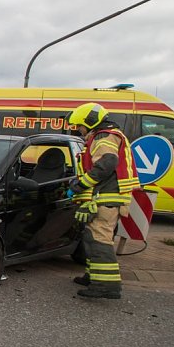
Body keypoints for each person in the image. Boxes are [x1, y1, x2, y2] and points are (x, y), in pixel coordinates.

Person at [67, 103, 139, 300]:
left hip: (106, 197)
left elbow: (106, 164)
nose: (80, 131)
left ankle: (106, 285)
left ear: (90, 122)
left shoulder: (104, 137)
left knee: (100, 240)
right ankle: (93, 276)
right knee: (92, 237)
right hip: (105, 196)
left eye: (80, 126)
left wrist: (80, 185)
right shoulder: (106, 135)